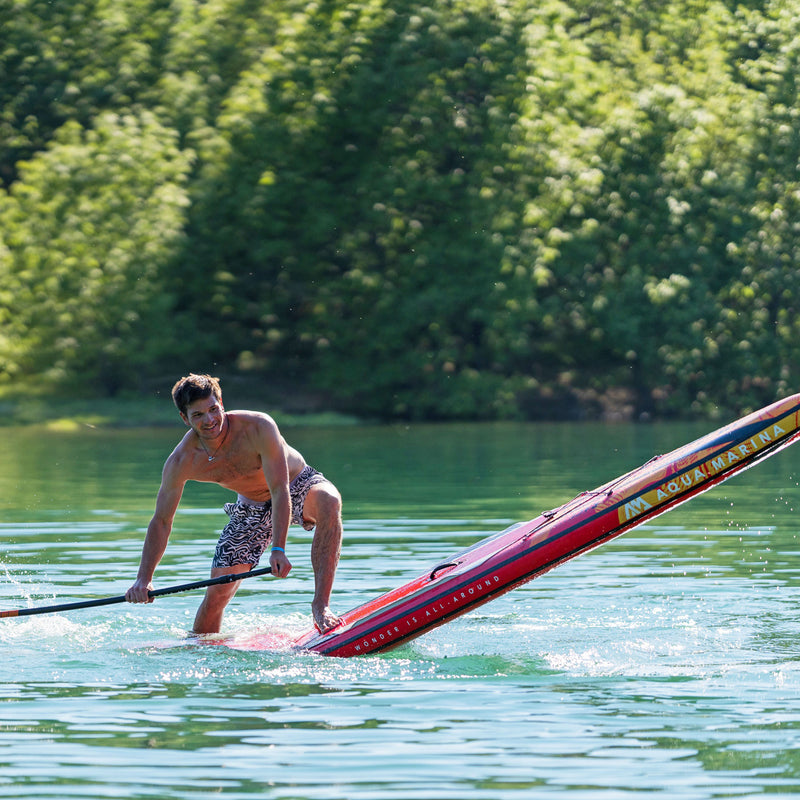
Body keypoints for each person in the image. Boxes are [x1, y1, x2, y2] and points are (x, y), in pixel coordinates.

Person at [125, 373, 343, 634]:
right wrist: (144, 579)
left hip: (295, 486)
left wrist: (278, 549)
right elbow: (161, 521)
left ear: (221, 403)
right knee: (217, 593)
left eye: (213, 409)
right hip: (250, 507)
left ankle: (321, 606)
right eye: (198, 415)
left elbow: (279, 488)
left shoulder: (258, 427)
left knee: (329, 500)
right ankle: (201, 649)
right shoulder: (181, 461)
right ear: (185, 419)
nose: (209, 420)